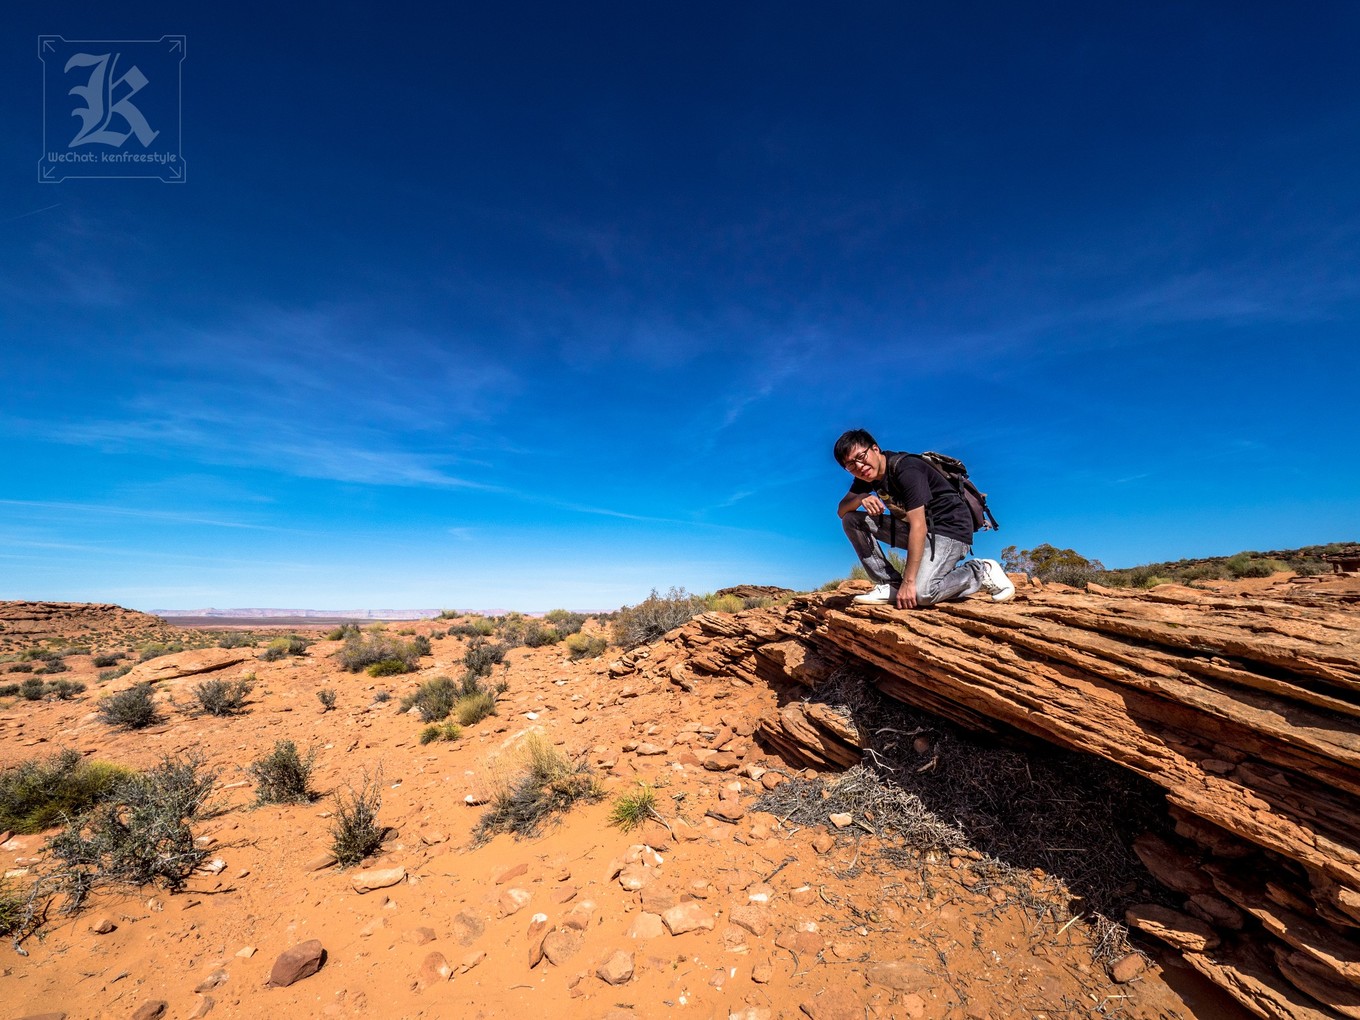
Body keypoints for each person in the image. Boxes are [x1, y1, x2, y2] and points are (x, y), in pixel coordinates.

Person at [834, 428, 1015, 609]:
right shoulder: (866, 477)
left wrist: (909, 582)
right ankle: (889, 584)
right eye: (850, 465)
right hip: (923, 531)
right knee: (851, 520)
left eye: (861, 457)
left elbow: (918, 525)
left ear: (875, 449)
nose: (859, 466)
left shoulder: (906, 468)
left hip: (950, 530)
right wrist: (860, 498)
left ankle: (981, 571)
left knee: (923, 593)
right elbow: (842, 511)